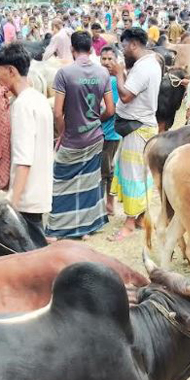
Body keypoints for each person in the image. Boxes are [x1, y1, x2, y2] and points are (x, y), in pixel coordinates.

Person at [45, 31, 113, 240]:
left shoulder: (65, 74)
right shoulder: (103, 73)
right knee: (89, 182)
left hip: (72, 139)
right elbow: (110, 110)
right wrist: (94, 122)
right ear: (92, 49)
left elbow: (57, 112)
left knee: (61, 181)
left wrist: (63, 132)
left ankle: (57, 229)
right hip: (95, 137)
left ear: (72, 50)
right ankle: (85, 228)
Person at [0, 43, 53, 240]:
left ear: (11, 71)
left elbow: (23, 158)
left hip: (26, 197)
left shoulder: (22, 105)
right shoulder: (38, 99)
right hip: (38, 191)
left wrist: (13, 202)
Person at [105, 27, 159, 241]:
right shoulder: (148, 63)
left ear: (134, 44)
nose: (123, 49)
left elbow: (126, 96)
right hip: (140, 126)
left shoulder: (144, 67)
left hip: (138, 127)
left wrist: (119, 73)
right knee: (140, 173)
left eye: (124, 45)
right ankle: (140, 217)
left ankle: (129, 223)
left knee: (133, 174)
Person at [99, 46, 122, 215]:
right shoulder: (102, 78)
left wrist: (94, 122)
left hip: (109, 132)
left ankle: (109, 205)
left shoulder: (113, 81)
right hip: (105, 132)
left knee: (106, 171)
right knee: (105, 169)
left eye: (110, 59)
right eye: (104, 59)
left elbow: (110, 110)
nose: (106, 62)